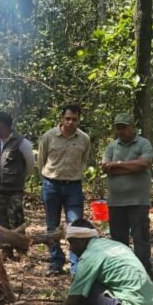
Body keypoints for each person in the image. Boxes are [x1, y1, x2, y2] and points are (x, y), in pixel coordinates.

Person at [101, 113, 153, 278]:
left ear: (132, 127)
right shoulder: (112, 146)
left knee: (141, 238)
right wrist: (132, 166)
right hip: (116, 202)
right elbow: (105, 167)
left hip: (138, 201)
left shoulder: (143, 144)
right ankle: (122, 273)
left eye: (124, 127)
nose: (121, 131)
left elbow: (144, 164)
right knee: (118, 240)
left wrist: (117, 165)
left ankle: (144, 272)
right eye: (118, 127)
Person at [38, 104, 92, 275]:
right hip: (51, 185)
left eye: (74, 119)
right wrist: (47, 181)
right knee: (52, 226)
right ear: (62, 118)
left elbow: (83, 161)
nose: (70, 122)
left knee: (75, 226)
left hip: (73, 187)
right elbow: (41, 161)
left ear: (79, 120)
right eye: (67, 118)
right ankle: (55, 262)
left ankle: (75, 266)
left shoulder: (84, 139)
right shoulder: (49, 136)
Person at [0, 111, 33, 230]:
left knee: (16, 222)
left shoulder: (22, 142)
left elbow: (30, 165)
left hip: (14, 191)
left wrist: (18, 178)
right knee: (0, 224)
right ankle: (3, 243)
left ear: (3, 125)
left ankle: (20, 242)